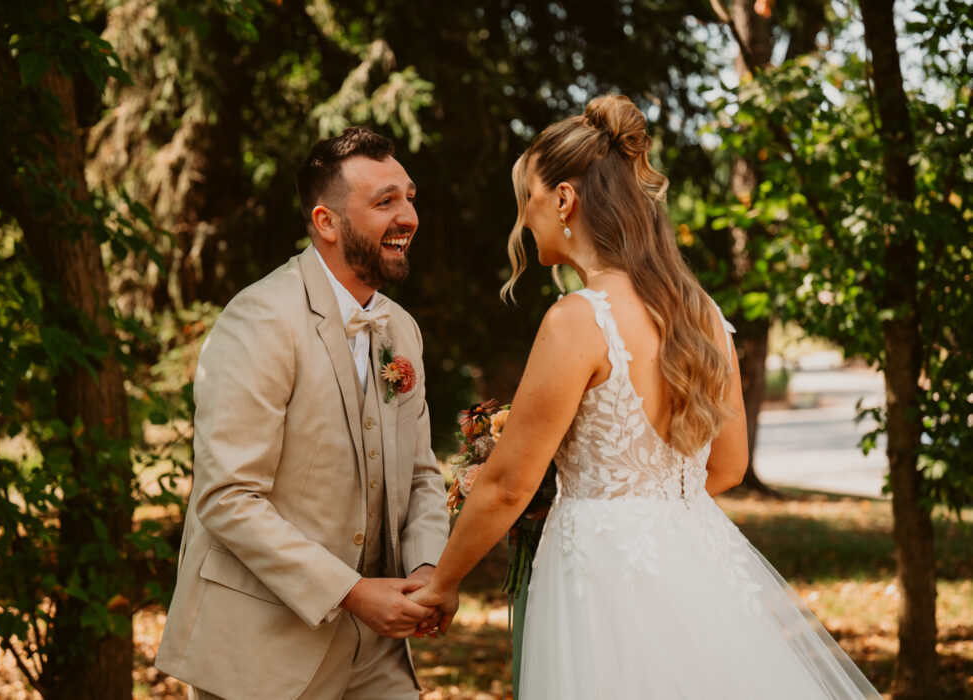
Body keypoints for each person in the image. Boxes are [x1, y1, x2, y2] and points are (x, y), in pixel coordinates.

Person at [409, 96, 882, 699]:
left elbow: (506, 484)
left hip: (600, 579)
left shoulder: (576, 320)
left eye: (528, 198)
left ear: (563, 199)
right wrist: (648, 508)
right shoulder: (703, 313)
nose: (524, 218)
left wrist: (442, 583)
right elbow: (729, 466)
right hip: (695, 558)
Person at [156, 127, 450, 700]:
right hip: (264, 650)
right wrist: (352, 592)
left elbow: (420, 474)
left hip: (378, 657)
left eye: (410, 197)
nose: (409, 216)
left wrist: (427, 571)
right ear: (326, 222)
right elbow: (228, 497)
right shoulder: (262, 319)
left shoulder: (401, 330)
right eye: (385, 201)